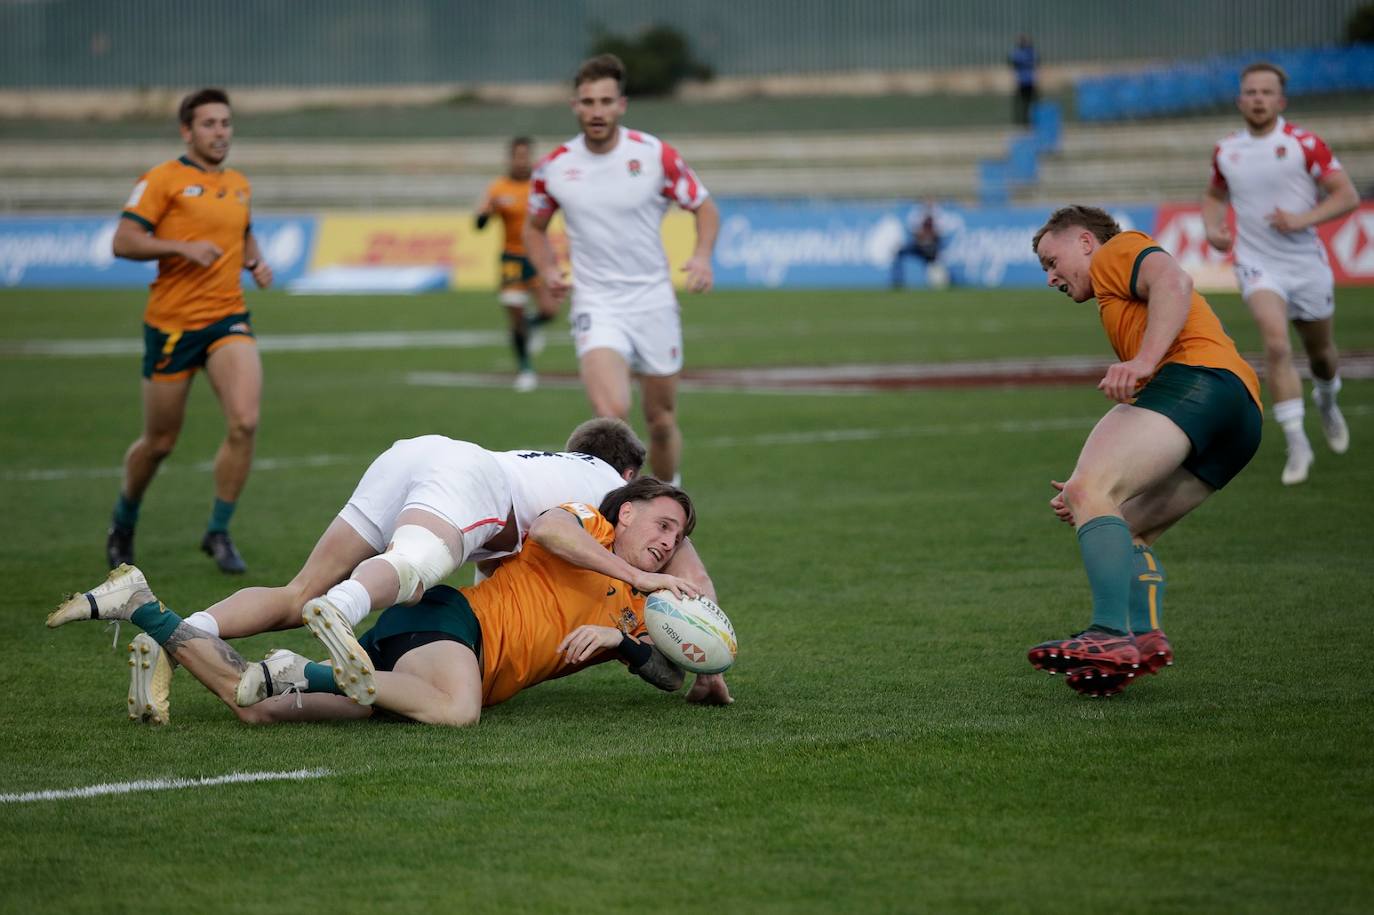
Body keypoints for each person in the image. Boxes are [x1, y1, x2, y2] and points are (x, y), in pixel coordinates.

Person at [48, 478, 734, 727]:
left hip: (416, 664)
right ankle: (305, 667)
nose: (670, 541)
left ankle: (141, 604)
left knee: (250, 707)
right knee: (457, 711)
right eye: (665, 524)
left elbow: (669, 674)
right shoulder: (592, 525)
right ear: (631, 508)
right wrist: (638, 577)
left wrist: (634, 646)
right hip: (450, 624)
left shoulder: (644, 609)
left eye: (679, 536)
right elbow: (548, 527)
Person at [1026, 205, 1263, 697]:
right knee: (1128, 524)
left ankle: (1110, 635)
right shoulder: (1114, 289)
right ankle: (1142, 637)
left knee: (1092, 488)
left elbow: (1175, 282)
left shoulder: (1117, 252)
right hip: (1240, 415)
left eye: (1053, 261)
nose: (1051, 277)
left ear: (1087, 242)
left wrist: (1145, 360)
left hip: (1199, 380)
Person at [524, 53, 720, 486]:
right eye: (588, 101)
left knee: (661, 420)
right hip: (597, 301)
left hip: (652, 301)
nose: (597, 111)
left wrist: (702, 254)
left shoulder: (654, 156)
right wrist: (548, 269)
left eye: (605, 101)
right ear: (575, 105)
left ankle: (671, 499)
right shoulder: (554, 167)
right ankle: (618, 515)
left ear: (621, 105)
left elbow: (703, 206)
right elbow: (534, 229)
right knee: (611, 417)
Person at [106, 87, 274, 576]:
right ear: (187, 130)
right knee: (159, 442)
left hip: (227, 318)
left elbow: (241, 233)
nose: (220, 132)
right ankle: (123, 521)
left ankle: (218, 530)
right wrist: (181, 248)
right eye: (209, 124)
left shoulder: (239, 184)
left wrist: (256, 262)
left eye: (225, 123)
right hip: (172, 326)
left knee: (244, 421)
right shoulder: (162, 180)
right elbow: (123, 240)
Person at [1202, 61, 1360, 485]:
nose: (1258, 99)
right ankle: (1297, 442)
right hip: (1257, 263)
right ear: (1240, 100)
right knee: (1275, 344)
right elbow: (1215, 195)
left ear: (1281, 100)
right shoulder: (1227, 150)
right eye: (1251, 92)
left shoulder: (1305, 144)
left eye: (1266, 92)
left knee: (1322, 354)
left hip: (1306, 265)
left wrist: (1303, 218)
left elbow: (1347, 195)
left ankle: (1327, 401)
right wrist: (1211, 228)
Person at [473, 136, 551, 392]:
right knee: (514, 311)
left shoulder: (540, 186)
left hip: (538, 254)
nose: (521, 161)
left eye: (525, 156)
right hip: (511, 259)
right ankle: (526, 369)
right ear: (510, 159)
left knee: (549, 310)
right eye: (517, 156)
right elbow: (480, 224)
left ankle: (531, 325)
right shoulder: (498, 189)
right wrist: (483, 214)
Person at [890, 199, 952, 290]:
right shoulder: (917, 213)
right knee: (899, 252)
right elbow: (914, 231)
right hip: (919, 244)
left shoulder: (939, 214)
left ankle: (941, 281)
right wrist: (921, 236)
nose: (928, 203)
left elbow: (939, 233)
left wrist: (928, 237)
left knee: (934, 261)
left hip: (931, 245)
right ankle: (897, 281)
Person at [1008, 35, 1037, 127]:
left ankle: (1028, 121)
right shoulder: (1026, 52)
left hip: (1027, 81)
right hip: (1023, 81)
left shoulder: (1026, 52)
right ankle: (1023, 121)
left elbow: (1012, 62)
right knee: (1024, 103)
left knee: (1029, 103)